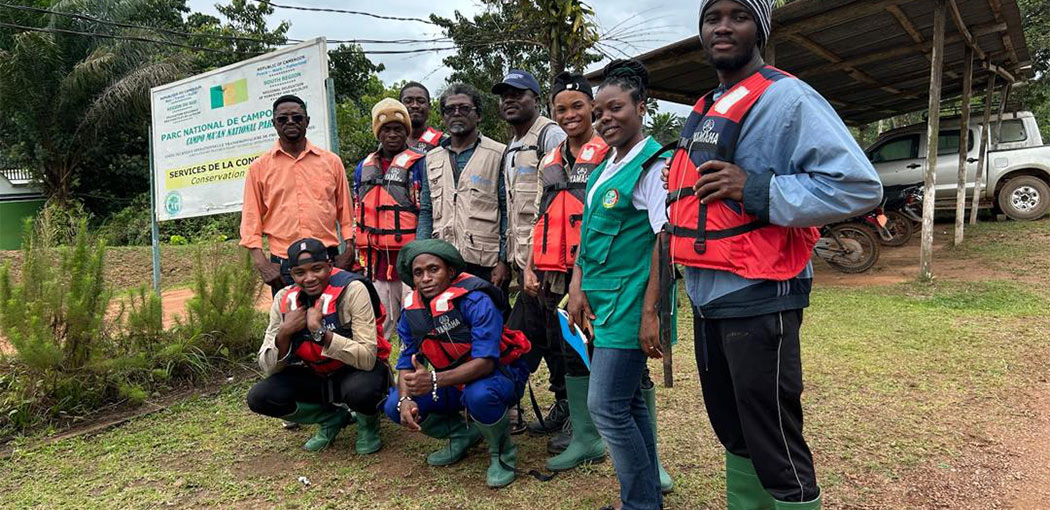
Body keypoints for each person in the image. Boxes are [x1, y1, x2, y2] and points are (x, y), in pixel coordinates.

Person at [663, 2, 883, 508]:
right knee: (731, 424)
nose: (722, 26)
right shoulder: (706, 107)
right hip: (706, 291)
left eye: (738, 14)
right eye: (711, 16)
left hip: (761, 291)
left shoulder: (789, 98)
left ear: (760, 27)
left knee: (772, 436)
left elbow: (859, 186)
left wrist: (755, 188)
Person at [567, 59, 676, 510]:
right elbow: (590, 233)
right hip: (601, 302)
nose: (606, 118)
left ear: (641, 107)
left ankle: (640, 503)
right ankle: (647, 495)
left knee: (606, 407)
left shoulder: (653, 166)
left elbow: (664, 241)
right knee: (627, 404)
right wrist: (576, 285)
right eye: (601, 110)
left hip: (631, 305)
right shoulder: (606, 166)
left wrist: (651, 313)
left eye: (616, 108)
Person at [383, 239, 531, 488]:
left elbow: (486, 363)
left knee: (480, 395)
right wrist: (405, 399)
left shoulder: (477, 300)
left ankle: (502, 452)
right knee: (393, 404)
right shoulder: (412, 310)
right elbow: (406, 361)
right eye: (418, 273)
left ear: (451, 271)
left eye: (433, 269)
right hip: (450, 382)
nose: (426, 278)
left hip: (498, 377)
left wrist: (433, 380)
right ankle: (462, 435)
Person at [521, 70, 608, 471]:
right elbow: (540, 215)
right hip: (554, 271)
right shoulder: (549, 161)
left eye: (577, 106)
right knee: (568, 348)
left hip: (597, 271)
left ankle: (603, 425)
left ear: (592, 106)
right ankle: (582, 429)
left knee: (602, 348)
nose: (570, 114)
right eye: (561, 108)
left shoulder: (609, 153)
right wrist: (530, 265)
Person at [246, 238, 393, 454]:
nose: (309, 278)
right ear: (292, 275)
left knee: (362, 391)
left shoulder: (353, 290)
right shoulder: (283, 299)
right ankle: (332, 418)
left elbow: (367, 357)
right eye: (299, 273)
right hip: (314, 372)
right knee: (260, 397)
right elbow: (267, 366)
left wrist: (320, 332)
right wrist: (284, 333)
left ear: (330, 266)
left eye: (317, 269)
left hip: (355, 370)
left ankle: (368, 424)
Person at [490, 69, 572, 436]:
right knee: (527, 338)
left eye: (518, 94)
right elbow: (513, 210)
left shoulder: (549, 135)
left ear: (536, 100)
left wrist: (536, 264)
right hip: (525, 263)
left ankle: (571, 414)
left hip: (550, 263)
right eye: (504, 94)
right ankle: (552, 408)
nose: (510, 100)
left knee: (556, 340)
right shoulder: (511, 145)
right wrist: (509, 259)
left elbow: (554, 205)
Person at [240, 94, 356, 297]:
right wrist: (262, 264)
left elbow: (345, 212)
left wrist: (349, 250)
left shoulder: (331, 162)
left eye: (297, 117)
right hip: (284, 264)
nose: (290, 122)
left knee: (334, 320)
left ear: (307, 121)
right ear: (274, 123)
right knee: (290, 323)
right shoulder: (259, 168)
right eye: (283, 119)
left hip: (327, 259)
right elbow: (251, 221)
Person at [353, 98, 433, 337]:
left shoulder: (421, 164)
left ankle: (419, 372)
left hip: (411, 262)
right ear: (378, 133)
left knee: (418, 325)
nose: (392, 134)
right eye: (386, 129)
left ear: (406, 131)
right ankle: (382, 373)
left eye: (398, 128)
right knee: (380, 327)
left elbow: (427, 210)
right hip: (377, 264)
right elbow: (358, 208)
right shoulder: (363, 167)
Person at [424, 83, 511, 292]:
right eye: (449, 110)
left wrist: (503, 261)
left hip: (484, 264)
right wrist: (422, 253)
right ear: (443, 117)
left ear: (478, 115)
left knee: (487, 320)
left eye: (464, 108)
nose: (456, 114)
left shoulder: (498, 153)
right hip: (442, 261)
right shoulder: (431, 158)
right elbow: (427, 210)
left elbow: (508, 211)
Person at [400, 81, 445, 153]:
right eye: (408, 101)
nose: (415, 105)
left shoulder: (444, 143)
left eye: (421, 101)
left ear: (429, 107)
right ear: (399, 106)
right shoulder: (391, 142)